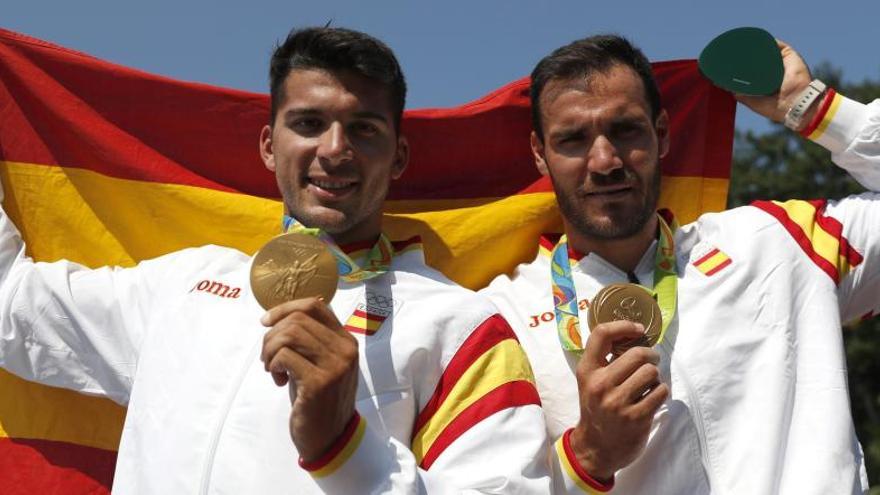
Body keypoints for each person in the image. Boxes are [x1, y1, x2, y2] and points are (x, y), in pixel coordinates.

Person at [0, 27, 551, 493]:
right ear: (269, 145)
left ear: (399, 154)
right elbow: (12, 306)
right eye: (308, 124)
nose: (334, 148)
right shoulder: (186, 285)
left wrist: (346, 448)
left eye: (363, 128)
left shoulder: (463, 328)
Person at [482, 34, 880, 493]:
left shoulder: (779, 242)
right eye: (573, 139)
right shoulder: (498, 319)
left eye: (626, 129)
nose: (605, 160)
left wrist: (810, 106)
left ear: (663, 133)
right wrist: (587, 458)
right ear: (539, 154)